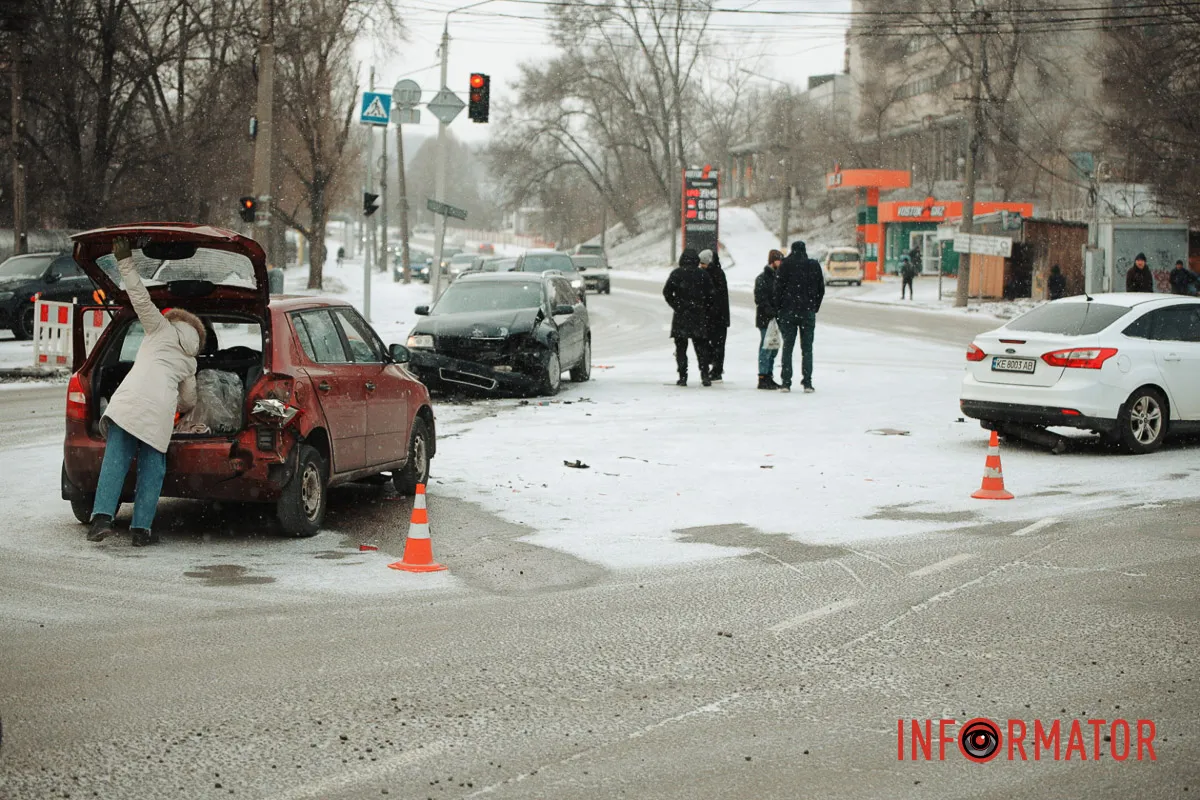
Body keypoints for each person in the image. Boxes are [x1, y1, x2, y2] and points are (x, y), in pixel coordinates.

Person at [86, 237, 205, 547]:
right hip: (159, 417)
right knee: (153, 469)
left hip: (127, 406)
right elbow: (190, 400)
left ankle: (101, 519)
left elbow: (138, 296)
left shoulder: (158, 327)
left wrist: (124, 258)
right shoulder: (190, 362)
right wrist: (176, 406)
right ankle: (142, 530)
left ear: (175, 319)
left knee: (116, 459)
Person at [774, 240, 825, 393]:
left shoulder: (785, 265)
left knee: (788, 347)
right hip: (807, 311)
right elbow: (820, 289)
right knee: (807, 348)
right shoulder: (813, 265)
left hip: (788, 312)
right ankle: (807, 382)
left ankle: (786, 382)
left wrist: (779, 309)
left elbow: (777, 289)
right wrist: (814, 306)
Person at [663, 248, 714, 387]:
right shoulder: (703, 275)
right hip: (699, 316)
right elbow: (711, 295)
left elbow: (667, 292)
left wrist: (677, 305)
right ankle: (704, 375)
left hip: (681, 317)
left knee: (681, 349)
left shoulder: (676, 274)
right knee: (701, 348)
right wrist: (704, 307)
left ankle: (682, 376)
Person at [699, 248, 729, 382]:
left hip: (715, 317)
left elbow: (714, 296)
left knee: (716, 344)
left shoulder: (713, 274)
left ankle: (716, 370)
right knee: (716, 344)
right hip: (716, 316)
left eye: (703, 263)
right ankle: (716, 368)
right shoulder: (717, 273)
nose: (701, 266)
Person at [755, 249, 784, 391]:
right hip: (765, 319)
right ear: (773, 261)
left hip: (776, 318)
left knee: (773, 347)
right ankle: (762, 376)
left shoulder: (780, 278)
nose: (781, 263)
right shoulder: (763, 278)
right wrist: (771, 311)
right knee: (766, 347)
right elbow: (760, 299)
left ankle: (769, 375)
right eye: (779, 260)